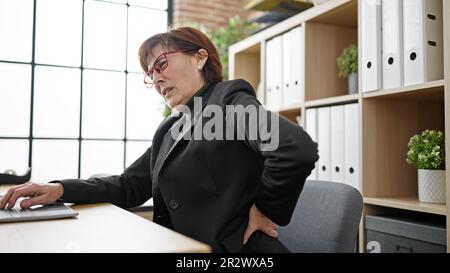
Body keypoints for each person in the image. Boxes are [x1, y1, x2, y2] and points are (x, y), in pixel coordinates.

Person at [0, 27, 318, 253]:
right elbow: (130, 185)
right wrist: (60, 189)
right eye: (150, 74)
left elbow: (294, 149)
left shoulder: (228, 100)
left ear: (200, 58)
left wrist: (265, 209)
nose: (156, 78)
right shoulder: (171, 128)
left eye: (161, 64)